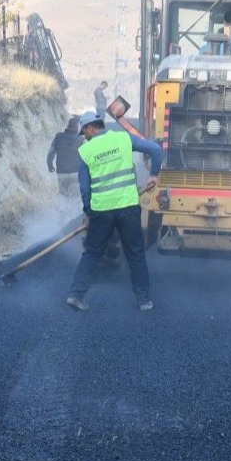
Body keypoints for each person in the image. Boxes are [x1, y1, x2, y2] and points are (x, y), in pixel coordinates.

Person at [66, 112, 163, 312]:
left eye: (85, 133)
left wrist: (89, 212)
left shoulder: (85, 151)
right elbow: (155, 149)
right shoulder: (123, 138)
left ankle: (76, 295)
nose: (85, 137)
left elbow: (85, 188)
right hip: (128, 208)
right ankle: (144, 300)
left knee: (92, 253)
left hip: (102, 211)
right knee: (135, 254)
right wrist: (153, 174)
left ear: (90, 128)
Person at [47, 115, 83, 198]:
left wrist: (50, 165)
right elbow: (86, 156)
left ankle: (63, 210)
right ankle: (74, 211)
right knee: (76, 197)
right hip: (76, 173)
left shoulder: (58, 136)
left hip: (62, 173)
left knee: (63, 197)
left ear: (67, 125)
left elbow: (50, 153)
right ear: (78, 128)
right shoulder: (81, 139)